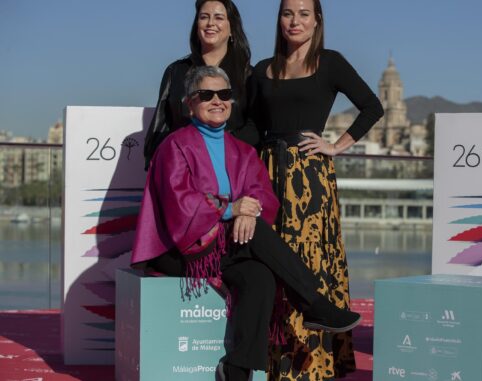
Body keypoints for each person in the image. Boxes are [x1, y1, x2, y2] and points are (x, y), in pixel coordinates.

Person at [131, 66, 361, 381]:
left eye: (224, 94)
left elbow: (263, 196)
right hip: (180, 250)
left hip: (225, 247)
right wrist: (231, 209)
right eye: (206, 95)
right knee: (256, 235)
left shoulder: (241, 150)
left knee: (261, 276)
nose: (217, 101)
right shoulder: (175, 145)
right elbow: (179, 204)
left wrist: (245, 211)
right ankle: (314, 302)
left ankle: (237, 368)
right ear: (189, 103)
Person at [247, 0, 384, 379]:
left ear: (317, 20)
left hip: (309, 177)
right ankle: (278, 363)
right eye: (288, 13)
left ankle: (313, 365)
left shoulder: (331, 62)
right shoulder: (262, 70)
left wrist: (336, 146)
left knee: (309, 262)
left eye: (304, 13)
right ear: (279, 19)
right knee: (273, 265)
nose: (295, 20)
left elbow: (372, 107)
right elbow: (249, 128)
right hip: (266, 174)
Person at [143, 0, 257, 169]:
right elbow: (160, 128)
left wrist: (218, 145)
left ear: (232, 27)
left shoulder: (249, 75)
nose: (210, 23)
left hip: (233, 169)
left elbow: (256, 127)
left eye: (218, 17)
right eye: (204, 17)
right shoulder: (176, 71)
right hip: (182, 169)